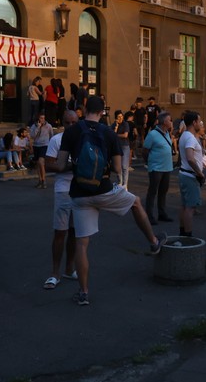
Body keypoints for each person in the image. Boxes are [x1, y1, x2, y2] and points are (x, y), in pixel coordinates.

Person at [52, 96, 167, 306]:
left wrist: (77, 166)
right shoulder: (109, 133)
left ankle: (84, 293)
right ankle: (153, 242)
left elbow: (60, 165)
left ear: (84, 109)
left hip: (79, 193)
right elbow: (116, 168)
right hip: (104, 189)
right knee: (135, 203)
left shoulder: (71, 131)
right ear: (102, 112)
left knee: (81, 243)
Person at [43, 110, 79, 290]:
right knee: (60, 232)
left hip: (80, 190)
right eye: (68, 123)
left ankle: (69, 268)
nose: (71, 126)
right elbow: (49, 164)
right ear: (62, 123)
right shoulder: (56, 140)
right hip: (63, 190)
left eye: (74, 122)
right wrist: (71, 166)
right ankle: (54, 273)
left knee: (74, 233)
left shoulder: (83, 139)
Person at [143, 111, 175, 225]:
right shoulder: (153, 134)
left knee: (163, 191)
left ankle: (162, 213)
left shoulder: (167, 133)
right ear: (164, 122)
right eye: (170, 120)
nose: (171, 122)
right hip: (156, 168)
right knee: (153, 191)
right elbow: (145, 150)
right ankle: (149, 215)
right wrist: (149, 162)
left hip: (167, 168)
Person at [177, 111, 205, 238]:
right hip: (190, 175)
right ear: (194, 122)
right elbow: (190, 158)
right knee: (190, 207)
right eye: (199, 121)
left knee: (184, 206)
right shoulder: (189, 137)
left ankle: (183, 232)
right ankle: (188, 236)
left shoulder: (185, 135)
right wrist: (199, 173)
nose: (200, 123)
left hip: (184, 173)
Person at [30, 112, 53, 189]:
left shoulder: (48, 126)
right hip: (36, 145)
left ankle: (44, 180)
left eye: (43, 118)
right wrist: (38, 128)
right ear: (38, 119)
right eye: (41, 118)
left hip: (45, 145)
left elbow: (51, 135)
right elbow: (32, 136)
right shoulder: (34, 126)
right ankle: (40, 180)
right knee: (37, 164)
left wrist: (51, 145)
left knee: (41, 162)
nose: (42, 120)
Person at [111, 110, 132, 189]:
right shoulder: (114, 125)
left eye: (121, 116)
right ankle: (120, 182)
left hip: (125, 146)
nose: (120, 118)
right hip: (116, 146)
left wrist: (116, 135)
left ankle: (125, 184)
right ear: (116, 117)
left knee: (124, 166)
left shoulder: (125, 124)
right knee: (118, 166)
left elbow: (125, 135)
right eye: (119, 117)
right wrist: (116, 127)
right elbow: (112, 135)